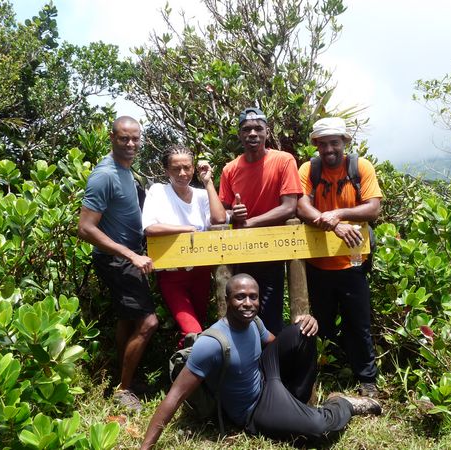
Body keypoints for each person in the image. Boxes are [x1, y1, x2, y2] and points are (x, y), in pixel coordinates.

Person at [140, 274, 380, 449]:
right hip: (253, 409)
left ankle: (296, 401)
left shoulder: (254, 322)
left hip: (267, 377)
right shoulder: (212, 343)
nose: (248, 303)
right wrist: (145, 448)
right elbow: (174, 396)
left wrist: (308, 322)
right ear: (227, 299)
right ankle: (342, 404)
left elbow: (279, 344)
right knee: (319, 429)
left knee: (302, 331)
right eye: (240, 297)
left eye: (253, 297)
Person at [297, 117, 383, 398]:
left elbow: (372, 209)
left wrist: (339, 214)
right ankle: (315, 376)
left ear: (345, 143)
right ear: (316, 146)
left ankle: (367, 381)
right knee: (317, 323)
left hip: (353, 262)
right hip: (317, 263)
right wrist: (334, 223)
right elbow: (301, 205)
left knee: (357, 323)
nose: (329, 148)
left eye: (334, 142)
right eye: (323, 144)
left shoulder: (360, 168)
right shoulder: (309, 169)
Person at [77, 116, 159, 411]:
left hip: (128, 257)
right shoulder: (105, 175)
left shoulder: (127, 171)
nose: (131, 144)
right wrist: (130, 255)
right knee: (148, 322)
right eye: (124, 138)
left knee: (128, 318)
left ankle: (126, 378)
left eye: (135, 138)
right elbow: (85, 228)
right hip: (117, 261)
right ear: (111, 137)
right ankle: (123, 390)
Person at [219, 107, 303, 335]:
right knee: (239, 314)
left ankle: (270, 366)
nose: (253, 134)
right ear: (239, 135)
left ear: (267, 131)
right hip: (240, 252)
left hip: (271, 249)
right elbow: (222, 213)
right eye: (247, 129)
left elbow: (289, 207)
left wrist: (250, 223)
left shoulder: (284, 161)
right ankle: (244, 366)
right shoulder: (230, 169)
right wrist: (233, 215)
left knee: (270, 312)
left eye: (258, 128)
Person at [141, 144, 226, 347]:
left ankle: (184, 370)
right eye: (176, 169)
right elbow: (150, 227)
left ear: (193, 168)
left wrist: (208, 183)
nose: (182, 173)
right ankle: (189, 375)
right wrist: (186, 229)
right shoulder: (158, 192)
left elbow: (219, 219)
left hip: (201, 272)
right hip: (172, 275)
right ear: (166, 171)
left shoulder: (202, 195)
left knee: (195, 332)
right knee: (193, 331)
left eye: (187, 168)